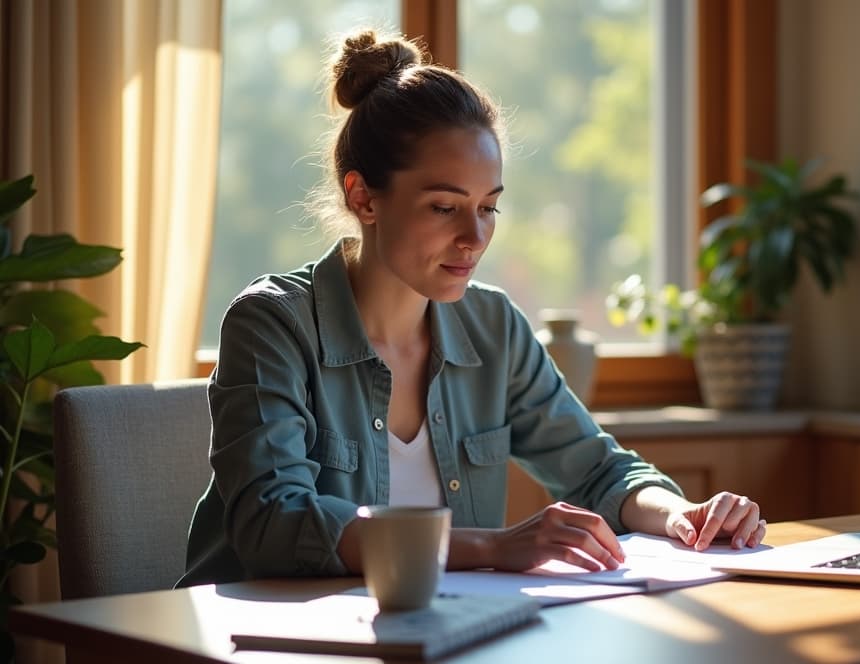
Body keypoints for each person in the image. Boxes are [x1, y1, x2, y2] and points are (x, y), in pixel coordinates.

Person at [179, 29, 765, 587]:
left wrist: (685, 514)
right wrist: (494, 546)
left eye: (489, 207)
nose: (475, 237)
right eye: (443, 207)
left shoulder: (493, 326)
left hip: (437, 634)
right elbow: (275, 524)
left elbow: (598, 470)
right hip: (258, 642)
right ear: (363, 197)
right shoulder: (272, 324)